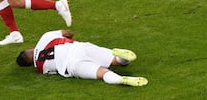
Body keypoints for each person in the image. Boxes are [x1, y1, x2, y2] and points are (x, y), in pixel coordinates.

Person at [16, 30, 148, 86]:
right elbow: (68, 33)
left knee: (101, 73)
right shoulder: (45, 37)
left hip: (72, 65)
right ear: (31, 48)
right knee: (113, 60)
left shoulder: (40, 67)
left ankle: (120, 79)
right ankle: (122, 59)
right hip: (78, 48)